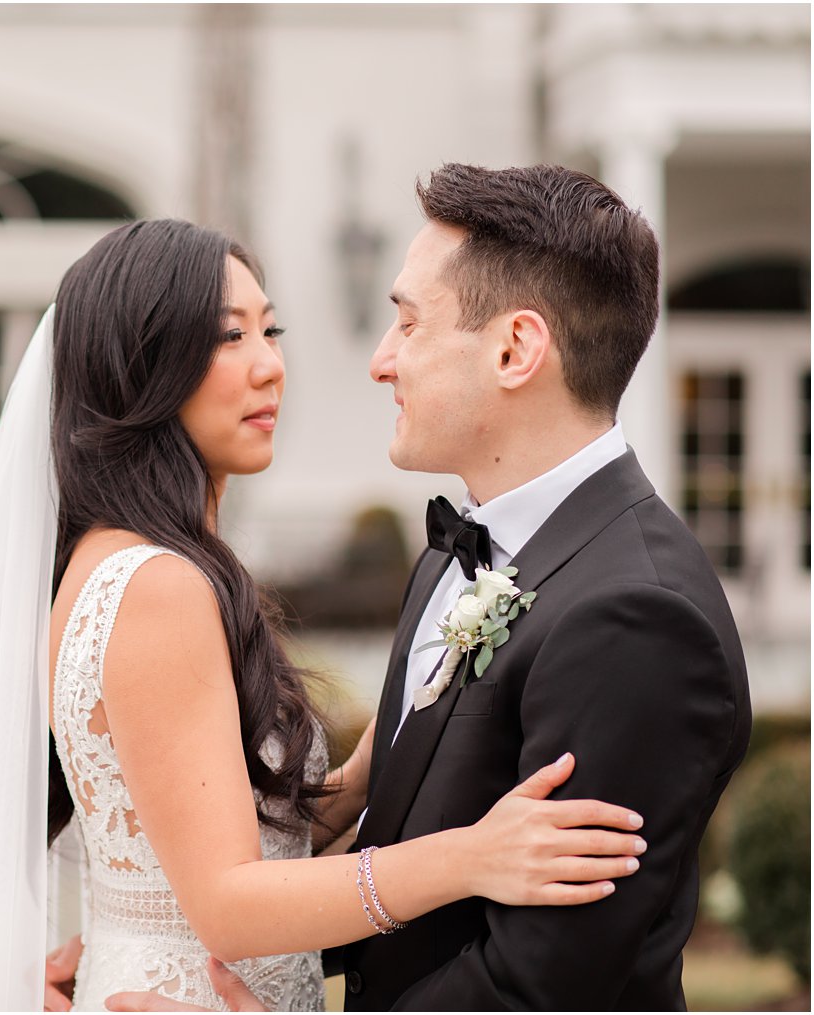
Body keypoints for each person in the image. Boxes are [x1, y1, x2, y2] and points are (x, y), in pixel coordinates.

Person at [0, 215, 646, 1013]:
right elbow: (227, 900)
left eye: (272, 329)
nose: (269, 366)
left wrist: (379, 762)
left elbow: (225, 825)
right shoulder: (157, 585)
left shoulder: (116, 558)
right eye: (229, 338)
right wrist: (472, 857)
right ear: (141, 367)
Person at [101, 166, 751, 1012]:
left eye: (407, 322)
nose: (380, 361)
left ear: (516, 350)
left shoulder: (639, 618)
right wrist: (150, 953)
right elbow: (404, 847)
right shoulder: (452, 557)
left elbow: (543, 980)